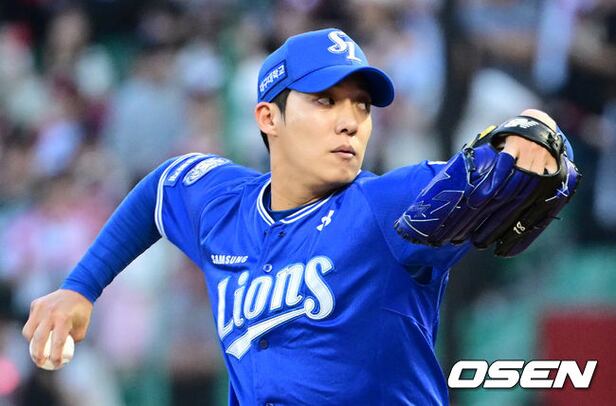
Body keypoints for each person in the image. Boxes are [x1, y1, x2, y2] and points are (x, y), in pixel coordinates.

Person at [23, 28, 571, 405]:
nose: (350, 121)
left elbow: (491, 167)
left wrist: (535, 135)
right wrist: (80, 287)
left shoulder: (386, 206)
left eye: (361, 105)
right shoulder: (222, 206)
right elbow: (161, 189)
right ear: (269, 117)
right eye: (325, 100)